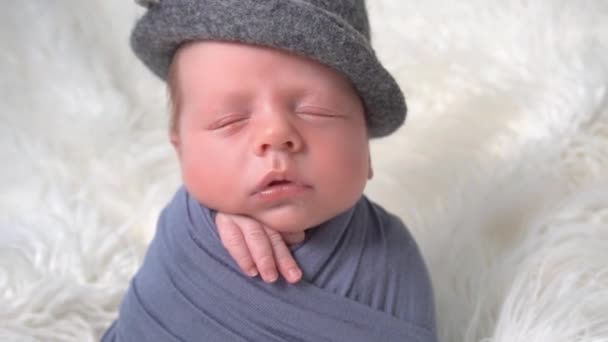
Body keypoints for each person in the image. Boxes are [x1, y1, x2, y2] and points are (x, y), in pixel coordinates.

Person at [102, 0, 437, 341]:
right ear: (181, 151)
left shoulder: (389, 259)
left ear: (365, 146)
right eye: (229, 120)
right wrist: (207, 232)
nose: (275, 134)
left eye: (317, 110)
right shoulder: (183, 239)